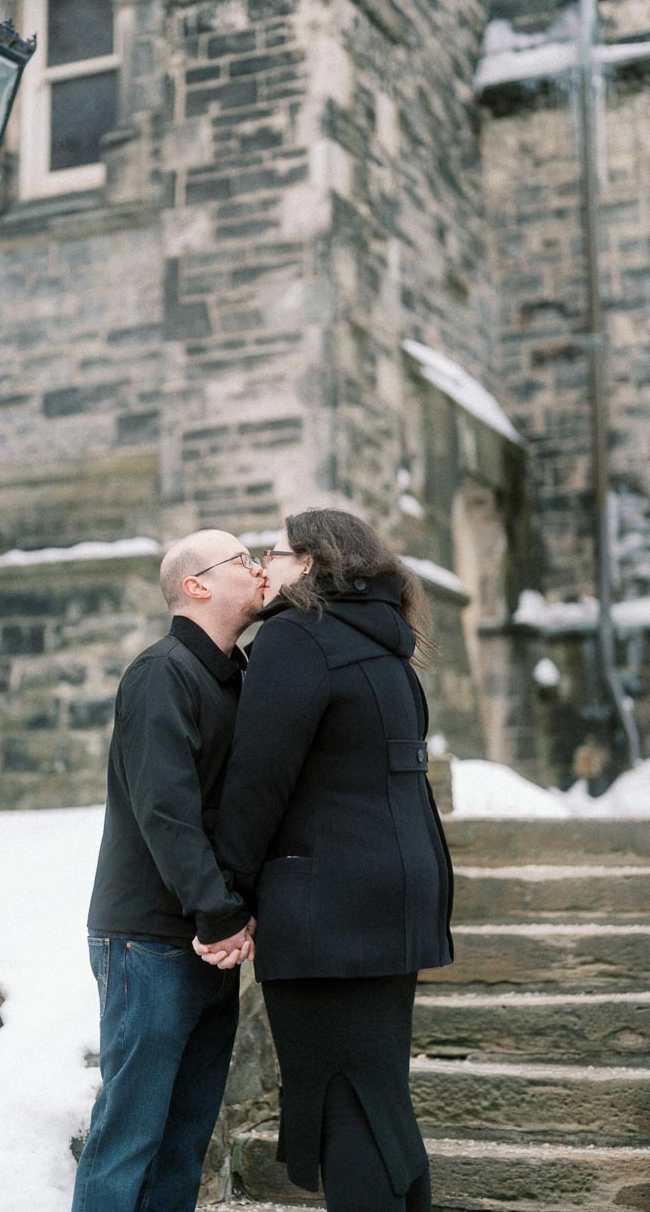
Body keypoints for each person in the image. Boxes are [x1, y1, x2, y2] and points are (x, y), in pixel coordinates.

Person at [197, 509, 453, 1212]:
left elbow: (258, 781)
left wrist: (227, 897)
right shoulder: (386, 644)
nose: (264, 569)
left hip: (327, 905)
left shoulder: (295, 638)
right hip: (396, 894)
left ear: (308, 564)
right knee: (378, 1093)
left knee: (343, 1098)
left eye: (274, 554)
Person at [72, 529, 266, 1212]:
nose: (260, 568)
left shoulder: (237, 677)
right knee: (129, 1141)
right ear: (197, 586)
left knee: (184, 1143)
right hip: (150, 939)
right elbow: (167, 810)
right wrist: (219, 914)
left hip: (209, 939)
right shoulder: (162, 673)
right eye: (244, 561)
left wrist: (231, 918)